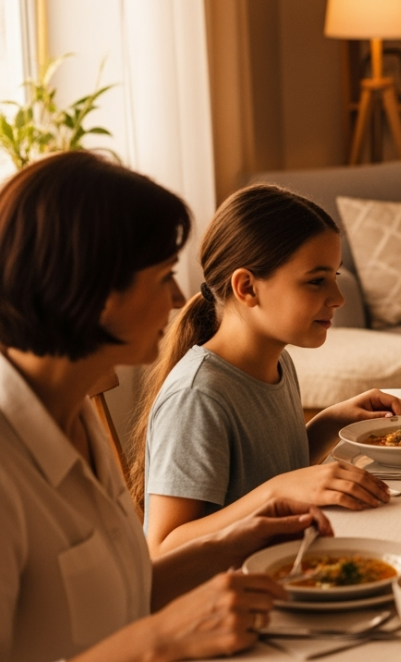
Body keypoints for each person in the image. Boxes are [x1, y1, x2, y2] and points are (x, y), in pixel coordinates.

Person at [0, 151, 331, 661]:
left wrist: (233, 542)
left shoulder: (72, 414)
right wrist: (161, 640)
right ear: (91, 289)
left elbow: (122, 595)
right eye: (161, 277)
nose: (179, 299)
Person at [132, 185, 401, 556]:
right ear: (247, 287)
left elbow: (266, 473)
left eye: (336, 276)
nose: (338, 298)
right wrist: (276, 493)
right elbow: (163, 548)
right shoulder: (198, 396)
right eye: (316, 280)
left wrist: (329, 424)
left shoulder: (277, 362)